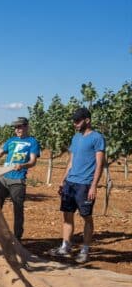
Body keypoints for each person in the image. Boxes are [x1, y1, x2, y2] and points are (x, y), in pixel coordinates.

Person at [50, 107, 105, 264]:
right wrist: (63, 180)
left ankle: (85, 250)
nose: (75, 124)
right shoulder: (75, 138)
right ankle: (65, 246)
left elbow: (100, 164)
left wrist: (94, 185)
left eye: (77, 121)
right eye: (74, 121)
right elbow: (71, 161)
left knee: (86, 217)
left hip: (85, 184)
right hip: (71, 183)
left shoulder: (97, 138)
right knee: (67, 215)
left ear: (87, 120)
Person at [0, 117, 40, 241]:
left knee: (18, 209)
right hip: (3, 179)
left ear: (26, 126)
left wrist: (23, 165)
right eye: (16, 127)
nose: (18, 129)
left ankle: (17, 238)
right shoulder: (10, 141)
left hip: (18, 181)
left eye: (20, 126)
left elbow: (33, 161)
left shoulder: (32, 142)